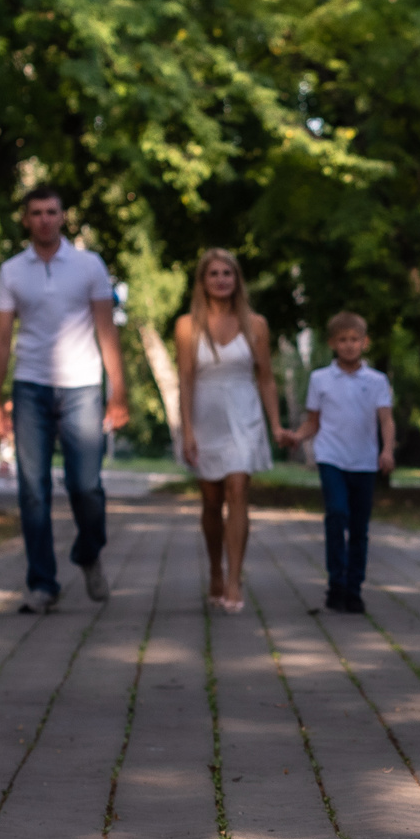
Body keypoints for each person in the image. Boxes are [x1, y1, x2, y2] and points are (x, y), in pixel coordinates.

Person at [0, 185, 128, 613]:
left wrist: (118, 392)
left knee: (86, 486)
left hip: (83, 387)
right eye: (36, 213)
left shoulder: (89, 265)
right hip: (30, 387)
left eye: (51, 212)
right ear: (26, 219)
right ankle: (43, 583)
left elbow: (107, 331)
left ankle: (88, 552)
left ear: (62, 217)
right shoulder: (12, 271)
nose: (44, 219)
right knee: (33, 489)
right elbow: (0, 338)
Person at [175, 249, 287, 613]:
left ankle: (235, 579)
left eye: (228, 273)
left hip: (244, 415)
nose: (221, 279)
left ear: (237, 280)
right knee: (211, 501)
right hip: (205, 416)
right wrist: (187, 431)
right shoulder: (187, 326)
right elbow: (186, 380)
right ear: (203, 281)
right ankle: (215, 570)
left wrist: (275, 424)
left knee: (238, 489)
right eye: (214, 274)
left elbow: (266, 378)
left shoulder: (256, 325)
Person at [289, 311, 393, 614]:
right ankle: (336, 582)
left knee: (359, 527)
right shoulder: (320, 379)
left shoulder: (376, 381)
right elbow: (313, 422)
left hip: (364, 461)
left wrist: (387, 450)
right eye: (343, 340)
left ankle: (353, 587)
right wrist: (297, 437)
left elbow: (386, 419)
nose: (349, 345)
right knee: (336, 514)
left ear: (365, 342)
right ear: (333, 343)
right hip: (331, 457)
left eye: (355, 339)